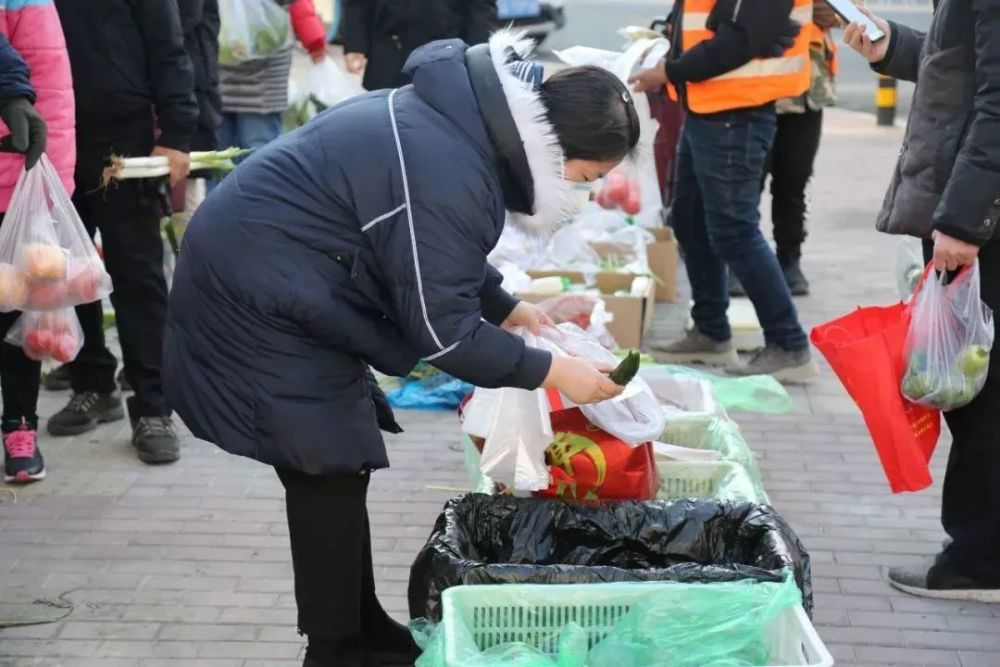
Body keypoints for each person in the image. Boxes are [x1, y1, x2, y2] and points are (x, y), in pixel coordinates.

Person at [163, 30, 637, 666]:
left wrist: (510, 307)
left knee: (340, 460)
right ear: (555, 146)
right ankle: (333, 649)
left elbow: (430, 255)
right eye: (588, 175)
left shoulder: (466, 128)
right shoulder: (452, 165)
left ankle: (360, 628)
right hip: (257, 293)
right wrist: (557, 373)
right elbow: (442, 333)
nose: (586, 190)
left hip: (288, 276)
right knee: (323, 465)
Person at [844, 4, 1000, 602]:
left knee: (980, 394)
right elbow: (959, 65)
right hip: (977, 204)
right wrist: (893, 49)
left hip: (982, 212)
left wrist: (964, 222)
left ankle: (979, 560)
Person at [630, 0, 819, 382]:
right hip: (710, 105)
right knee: (689, 218)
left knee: (734, 231)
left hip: (738, 110)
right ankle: (711, 330)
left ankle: (789, 346)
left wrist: (669, 70)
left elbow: (745, 37)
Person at [43, 0, 222, 395]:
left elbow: (170, 47)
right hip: (55, 136)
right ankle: (91, 384)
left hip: (125, 139)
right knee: (69, 269)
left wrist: (177, 132)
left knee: (137, 271)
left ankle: (153, 399)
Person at [0, 2, 74, 484]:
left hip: (11, 164)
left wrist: (51, 180)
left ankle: (19, 425)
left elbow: (47, 79)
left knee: (13, 304)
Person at [730, 0, 840, 298]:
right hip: (751, 85)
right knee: (746, 181)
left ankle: (789, 260)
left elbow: (845, 12)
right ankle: (739, 264)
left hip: (805, 89)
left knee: (794, 181)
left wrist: (836, 10)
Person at [217, 0, 327, 155]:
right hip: (263, 79)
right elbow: (300, 7)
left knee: (221, 152)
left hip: (222, 68)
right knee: (258, 151)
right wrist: (314, 39)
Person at [342, 0, 496, 90]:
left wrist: (476, 54)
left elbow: (481, 8)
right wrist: (356, 44)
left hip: (446, 56)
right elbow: (356, 4)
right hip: (388, 52)